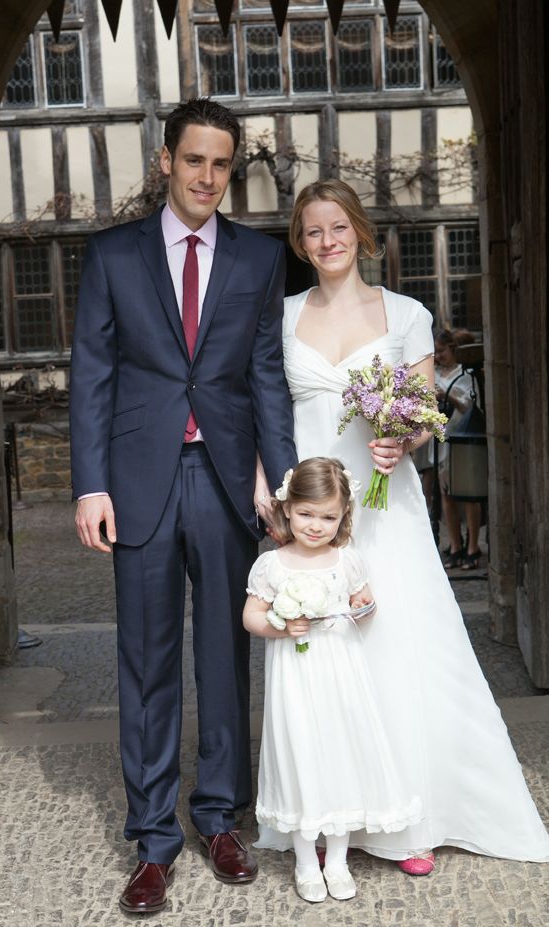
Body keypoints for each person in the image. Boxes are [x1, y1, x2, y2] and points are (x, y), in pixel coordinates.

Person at [275, 178, 549, 872]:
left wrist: (404, 439)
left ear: (360, 231)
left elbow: (425, 408)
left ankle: (412, 815)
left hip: (383, 506)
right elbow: (264, 412)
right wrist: (273, 499)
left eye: (338, 227)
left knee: (396, 643)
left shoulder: (405, 314)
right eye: (312, 231)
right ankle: (336, 811)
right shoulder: (279, 317)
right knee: (322, 655)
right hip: (309, 512)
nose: (327, 241)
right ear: (300, 243)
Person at [70, 98, 297, 914]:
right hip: (137, 482)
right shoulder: (112, 256)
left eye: (221, 164)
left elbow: (264, 372)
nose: (208, 177)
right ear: (166, 160)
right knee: (146, 660)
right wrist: (89, 484)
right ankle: (154, 840)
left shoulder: (257, 258)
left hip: (230, 477)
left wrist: (280, 473)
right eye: (194, 160)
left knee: (226, 657)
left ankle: (219, 817)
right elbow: (93, 371)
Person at [243, 458, 422, 903]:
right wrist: (280, 626)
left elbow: (365, 610)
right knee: (299, 753)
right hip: (295, 682)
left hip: (340, 676)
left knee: (341, 753)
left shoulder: (347, 561)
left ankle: (337, 860)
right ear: (287, 509)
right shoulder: (272, 565)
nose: (316, 525)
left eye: (328, 516)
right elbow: (250, 616)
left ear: (343, 516)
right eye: (306, 514)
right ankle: (306, 862)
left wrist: (365, 606)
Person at [433, 328, 482, 570]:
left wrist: (448, 396)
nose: (438, 356)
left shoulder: (465, 374)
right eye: (435, 352)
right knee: (446, 494)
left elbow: (470, 407)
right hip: (441, 440)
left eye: (442, 351)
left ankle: (473, 546)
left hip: (463, 439)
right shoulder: (430, 374)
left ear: (453, 349)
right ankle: (455, 544)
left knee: (469, 494)